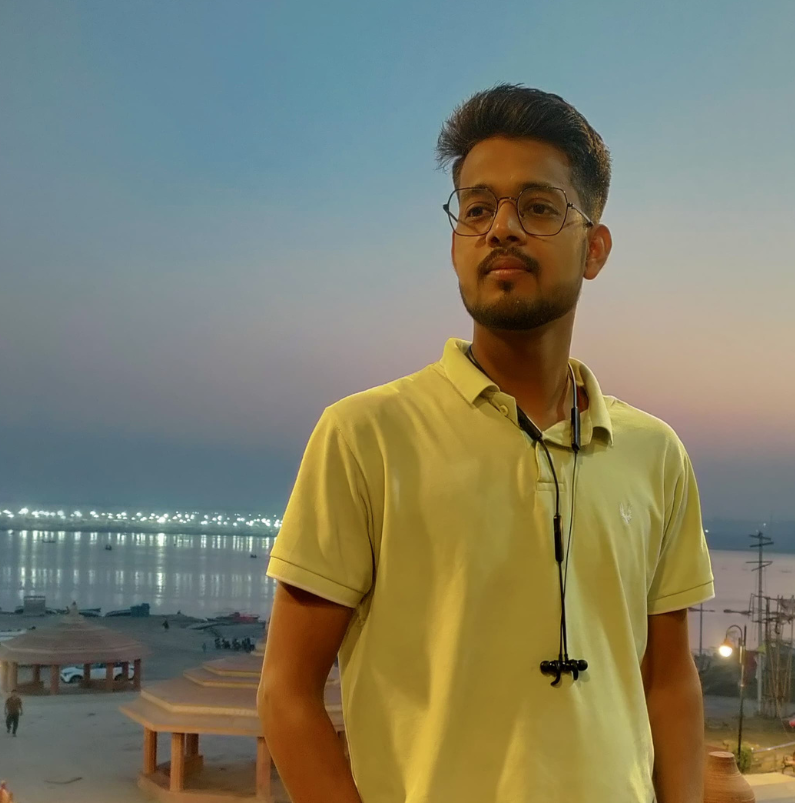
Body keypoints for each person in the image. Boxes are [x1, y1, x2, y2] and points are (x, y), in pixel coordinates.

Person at [258, 85, 714, 803]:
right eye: (476, 209)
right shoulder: (365, 436)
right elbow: (287, 692)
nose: (501, 228)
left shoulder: (654, 454)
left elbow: (669, 680)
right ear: (454, 243)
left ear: (594, 249)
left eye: (538, 207)